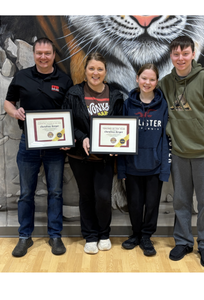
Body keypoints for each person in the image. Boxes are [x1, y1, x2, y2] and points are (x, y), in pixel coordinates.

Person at [160, 36, 204, 267]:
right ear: (171, 55)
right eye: (176, 54)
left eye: (185, 53)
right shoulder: (166, 83)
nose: (181, 58)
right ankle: (183, 241)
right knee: (181, 201)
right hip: (179, 153)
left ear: (193, 53)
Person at [3, 38, 73, 257]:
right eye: (39, 53)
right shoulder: (22, 76)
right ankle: (24, 237)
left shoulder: (64, 80)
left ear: (54, 55)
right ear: (34, 54)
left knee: (56, 192)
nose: (43, 57)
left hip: (55, 148)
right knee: (26, 194)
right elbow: (8, 102)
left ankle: (55, 236)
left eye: (47, 53)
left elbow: (70, 112)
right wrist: (14, 112)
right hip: (28, 144)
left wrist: (67, 140)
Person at [61, 52, 124, 254]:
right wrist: (82, 137)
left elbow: (120, 126)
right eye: (91, 68)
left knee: (103, 196)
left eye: (99, 69)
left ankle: (104, 234)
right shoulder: (73, 93)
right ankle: (90, 236)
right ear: (85, 70)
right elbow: (67, 122)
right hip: (80, 157)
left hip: (104, 159)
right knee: (86, 196)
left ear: (105, 71)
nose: (95, 73)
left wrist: (117, 146)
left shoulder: (115, 95)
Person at [117, 63, 169, 257]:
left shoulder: (163, 105)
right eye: (144, 78)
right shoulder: (127, 104)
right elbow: (121, 138)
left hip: (154, 167)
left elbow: (165, 138)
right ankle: (136, 234)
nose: (147, 82)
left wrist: (164, 167)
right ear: (137, 79)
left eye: (152, 79)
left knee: (152, 204)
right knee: (135, 204)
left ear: (156, 81)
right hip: (132, 167)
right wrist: (122, 168)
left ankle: (147, 236)